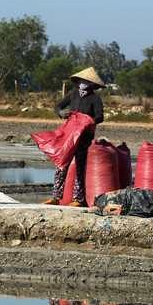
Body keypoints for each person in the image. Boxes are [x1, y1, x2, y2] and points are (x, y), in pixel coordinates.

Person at [43, 66, 105, 208]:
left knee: (80, 167)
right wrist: (62, 113)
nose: (82, 83)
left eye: (85, 81)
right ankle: (56, 197)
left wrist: (89, 121)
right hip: (69, 136)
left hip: (84, 138)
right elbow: (58, 106)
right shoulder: (73, 95)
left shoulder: (95, 99)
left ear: (91, 84)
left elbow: (100, 116)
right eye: (81, 80)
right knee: (61, 165)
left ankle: (78, 198)